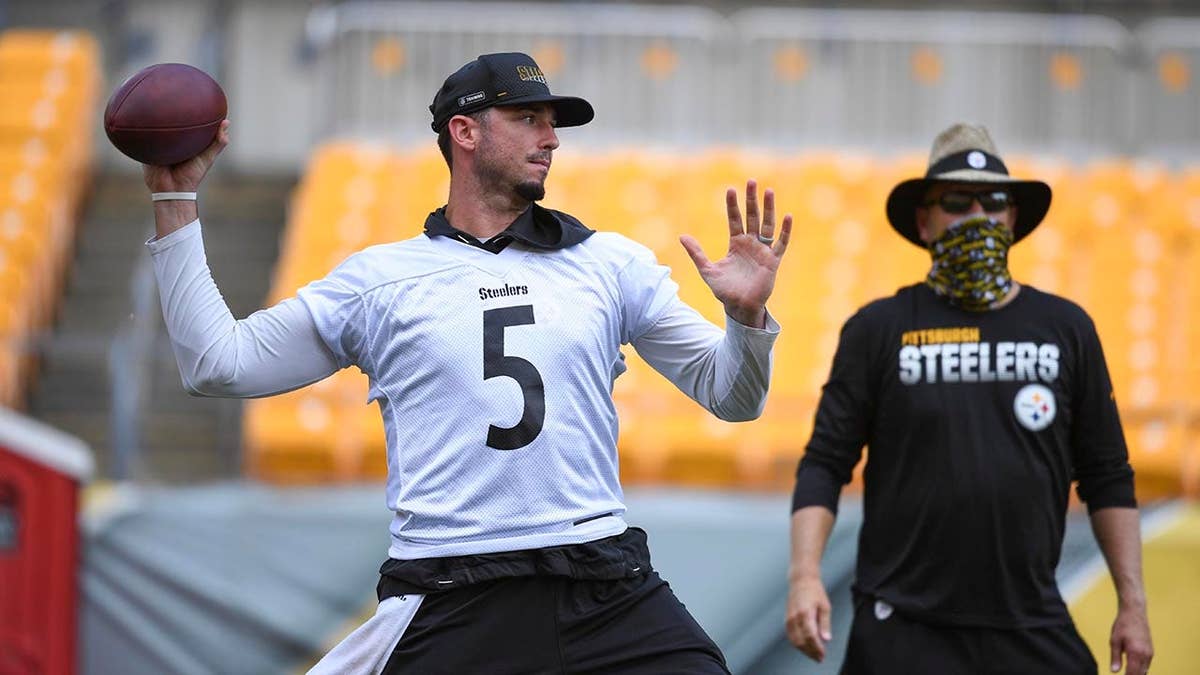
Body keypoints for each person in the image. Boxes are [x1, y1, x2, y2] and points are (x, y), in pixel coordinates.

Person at [141, 52, 792, 673]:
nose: (552, 139)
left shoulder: (609, 263)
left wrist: (745, 319)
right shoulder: (380, 281)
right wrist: (174, 203)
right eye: (528, 118)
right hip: (455, 587)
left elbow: (732, 396)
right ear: (464, 131)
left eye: (552, 123)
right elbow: (217, 364)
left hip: (604, 581)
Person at [785, 123, 1153, 675]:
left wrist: (1133, 603)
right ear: (924, 221)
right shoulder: (878, 328)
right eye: (956, 201)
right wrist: (805, 575)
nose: (977, 216)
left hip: (1030, 623)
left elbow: (1106, 475)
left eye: (994, 201)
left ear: (1013, 218)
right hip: (903, 625)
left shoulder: (1066, 328)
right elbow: (824, 463)